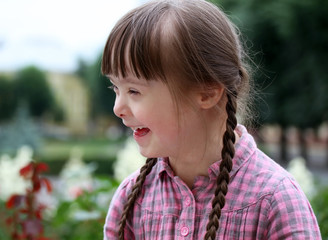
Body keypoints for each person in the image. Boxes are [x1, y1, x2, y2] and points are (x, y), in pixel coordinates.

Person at [101, 0, 322, 239]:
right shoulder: (131, 199)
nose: (118, 108)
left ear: (207, 93)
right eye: (115, 88)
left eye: (134, 91)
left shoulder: (275, 201)